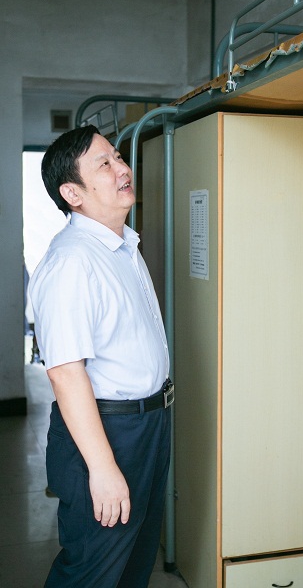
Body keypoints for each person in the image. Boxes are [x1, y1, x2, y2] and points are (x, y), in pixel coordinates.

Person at [29, 125, 173, 588]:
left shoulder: (122, 245)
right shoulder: (73, 261)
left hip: (146, 425)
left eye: (118, 157)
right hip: (108, 432)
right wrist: (103, 466)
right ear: (72, 193)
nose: (122, 169)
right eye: (104, 164)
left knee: (133, 565)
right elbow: (65, 374)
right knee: (92, 572)